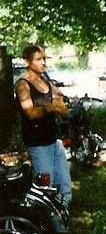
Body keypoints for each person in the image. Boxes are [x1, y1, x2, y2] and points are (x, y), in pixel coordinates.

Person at [14, 45, 72, 205]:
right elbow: (30, 113)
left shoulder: (47, 82)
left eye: (44, 59)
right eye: (38, 59)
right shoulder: (23, 85)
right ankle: (44, 220)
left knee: (64, 186)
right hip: (38, 143)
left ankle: (62, 218)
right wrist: (49, 107)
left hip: (55, 139)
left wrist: (58, 106)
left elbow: (64, 109)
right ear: (27, 61)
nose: (43, 63)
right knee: (45, 188)